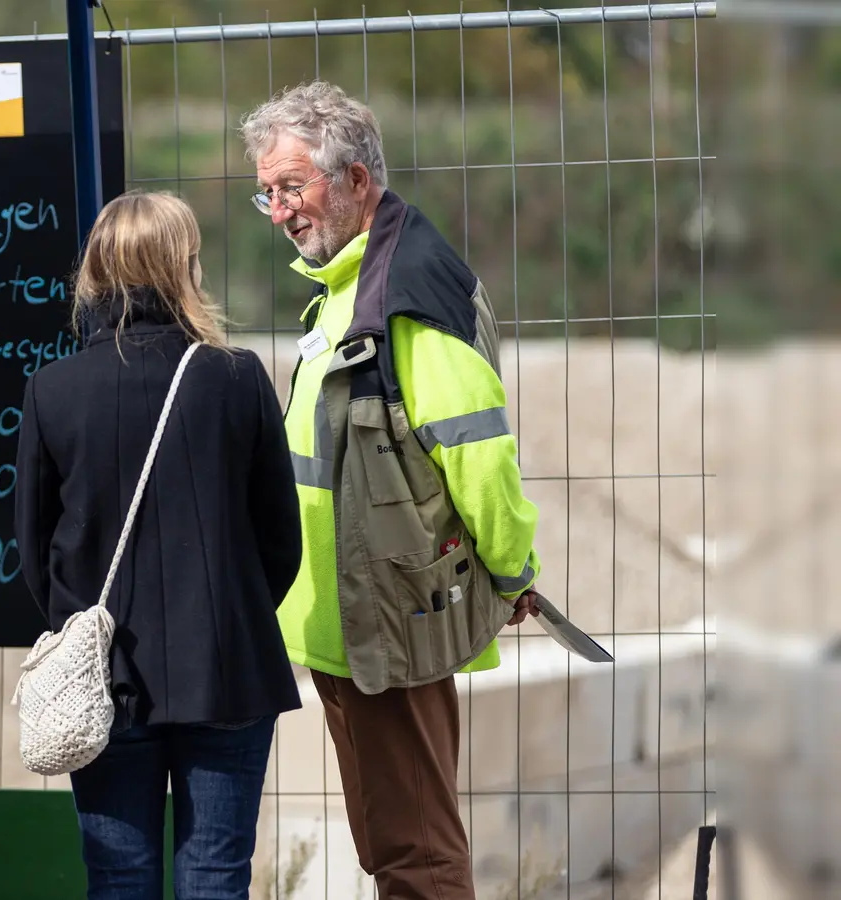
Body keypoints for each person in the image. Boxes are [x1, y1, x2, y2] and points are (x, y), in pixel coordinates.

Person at [240, 81, 546, 899]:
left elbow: (481, 460)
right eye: (267, 192)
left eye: (292, 187)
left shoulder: (400, 300)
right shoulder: (354, 283)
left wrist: (513, 572)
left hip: (388, 625)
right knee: (392, 843)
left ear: (354, 182)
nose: (279, 211)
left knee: (415, 852)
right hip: (356, 622)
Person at [15, 191, 303, 899]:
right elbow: (282, 540)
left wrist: (82, 623)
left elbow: (33, 547)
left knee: (119, 878)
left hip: (105, 678)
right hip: (230, 670)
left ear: (96, 272)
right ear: (185, 267)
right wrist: (228, 611)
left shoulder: (53, 389)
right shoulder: (238, 378)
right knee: (215, 875)